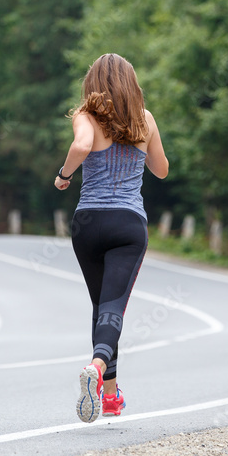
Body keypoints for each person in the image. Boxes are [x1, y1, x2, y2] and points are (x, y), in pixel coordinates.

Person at [54, 53, 169, 423]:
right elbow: (161, 170)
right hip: (127, 225)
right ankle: (98, 366)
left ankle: (109, 395)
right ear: (132, 84)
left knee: (101, 306)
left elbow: (81, 146)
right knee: (113, 307)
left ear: (92, 83)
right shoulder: (144, 119)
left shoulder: (85, 116)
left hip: (88, 224)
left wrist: (64, 176)